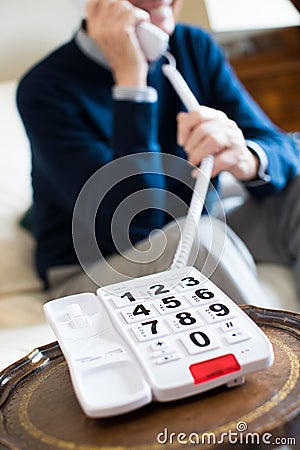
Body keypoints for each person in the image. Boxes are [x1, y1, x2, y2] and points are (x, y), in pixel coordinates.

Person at [17, 0, 299, 306]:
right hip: (98, 262)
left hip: (197, 220)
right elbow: (137, 222)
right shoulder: (44, 89)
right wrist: (132, 83)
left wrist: (248, 158)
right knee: (201, 241)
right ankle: (278, 352)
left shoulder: (193, 45)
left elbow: (282, 147)